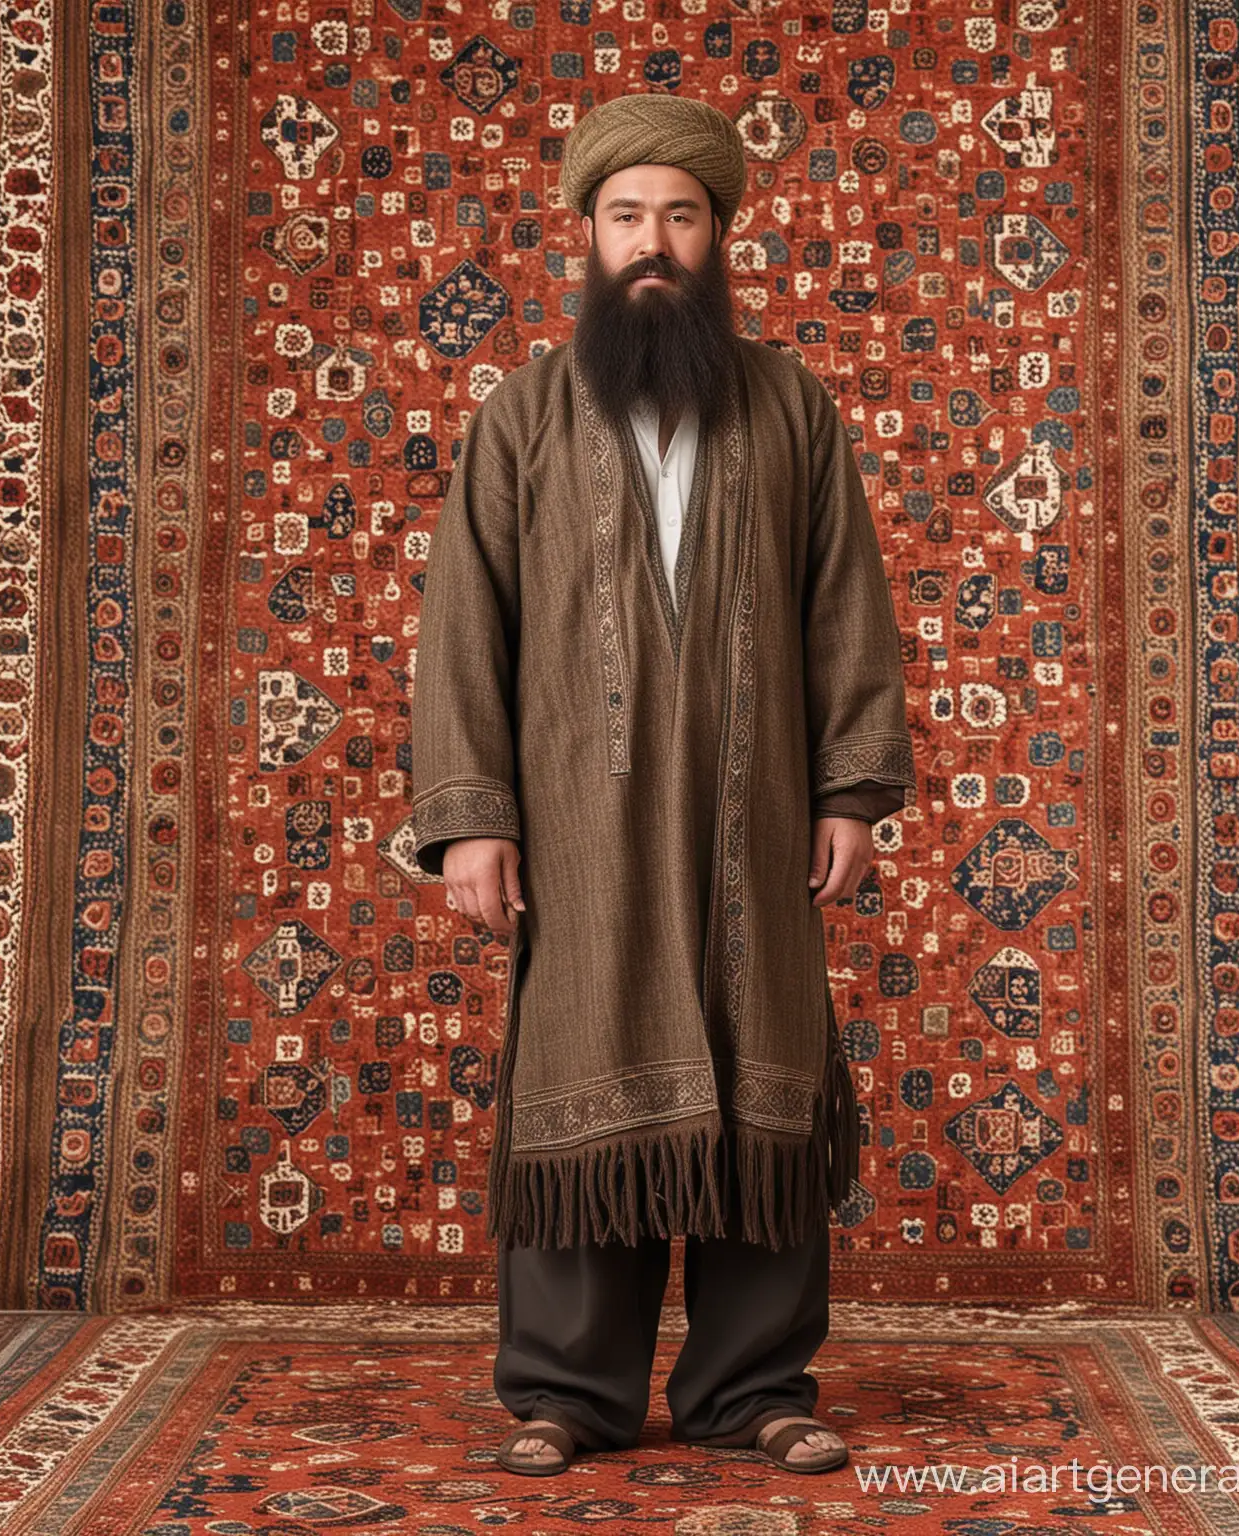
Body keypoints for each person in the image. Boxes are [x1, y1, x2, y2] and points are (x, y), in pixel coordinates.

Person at [408, 92, 915, 1476]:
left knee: (768, 1080)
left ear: (718, 235)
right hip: (580, 825)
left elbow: (843, 607)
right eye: (626, 216)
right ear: (586, 235)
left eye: (679, 216)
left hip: (756, 822)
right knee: (584, 1065)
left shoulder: (791, 406)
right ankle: (565, 1395)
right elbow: (468, 623)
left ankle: (753, 1390)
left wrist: (851, 793)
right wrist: (473, 818)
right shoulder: (520, 415)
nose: (653, 242)